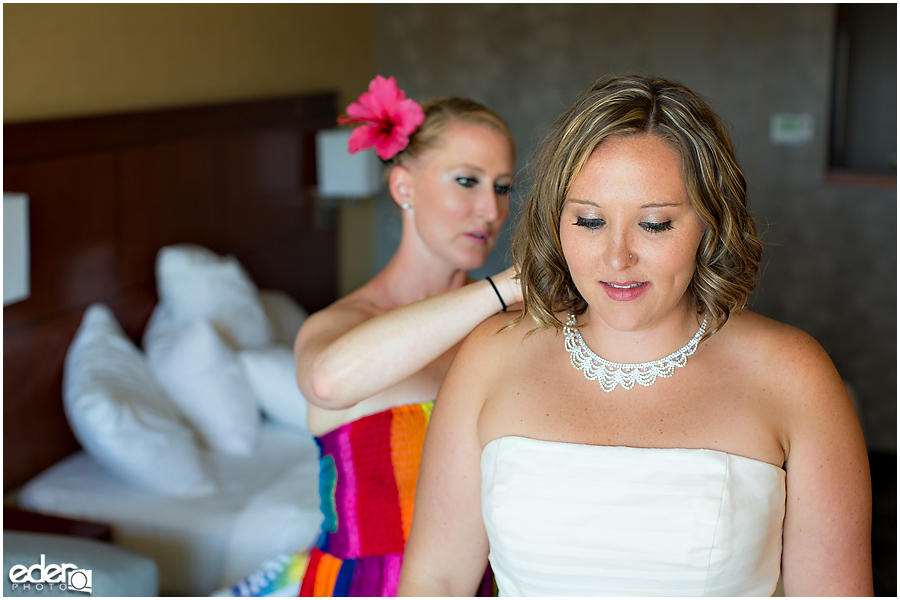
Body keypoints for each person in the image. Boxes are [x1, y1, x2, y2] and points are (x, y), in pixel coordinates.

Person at [398, 74, 873, 596]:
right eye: (590, 221)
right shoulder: (492, 356)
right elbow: (436, 580)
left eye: (654, 225)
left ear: (710, 222)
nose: (617, 258)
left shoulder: (792, 373)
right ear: (557, 221)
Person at [292, 75, 520, 596]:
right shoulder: (343, 326)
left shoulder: (508, 327)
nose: (491, 210)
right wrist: (505, 286)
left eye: (502, 186)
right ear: (403, 187)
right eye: (467, 181)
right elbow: (326, 382)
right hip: (367, 584)